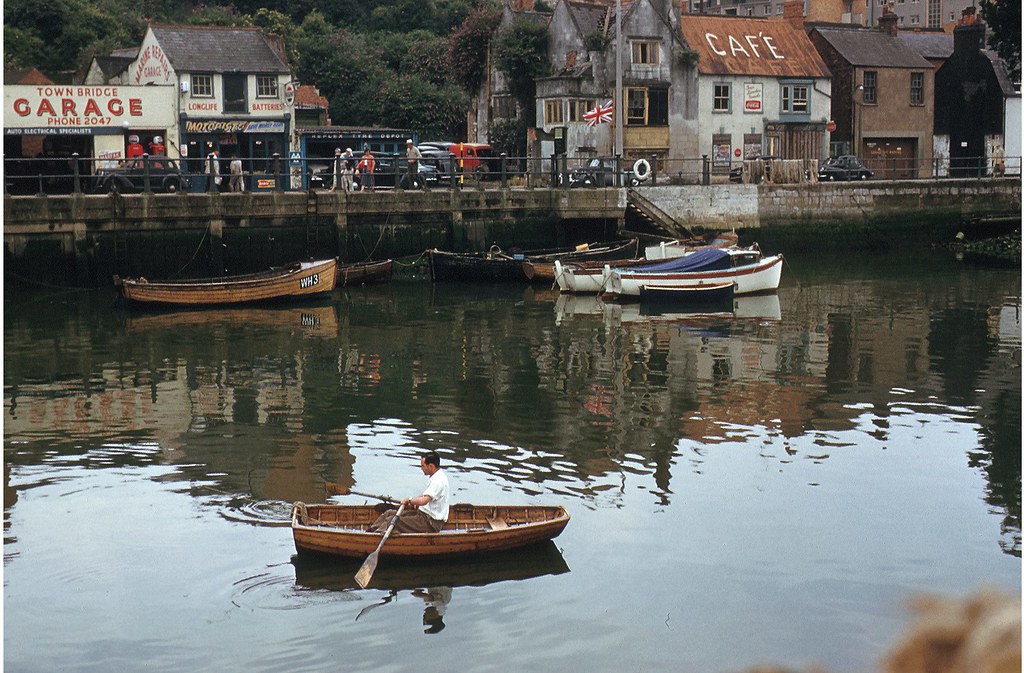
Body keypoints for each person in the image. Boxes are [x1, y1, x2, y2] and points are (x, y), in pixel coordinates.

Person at [370, 451, 449, 534]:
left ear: (431, 466)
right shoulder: (436, 476)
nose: (421, 468)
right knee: (389, 513)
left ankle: (373, 539)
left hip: (430, 522)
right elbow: (426, 495)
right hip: (423, 515)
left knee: (393, 520)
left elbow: (424, 501)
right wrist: (415, 501)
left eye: (423, 466)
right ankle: (369, 532)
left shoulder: (438, 481)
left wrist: (410, 500)